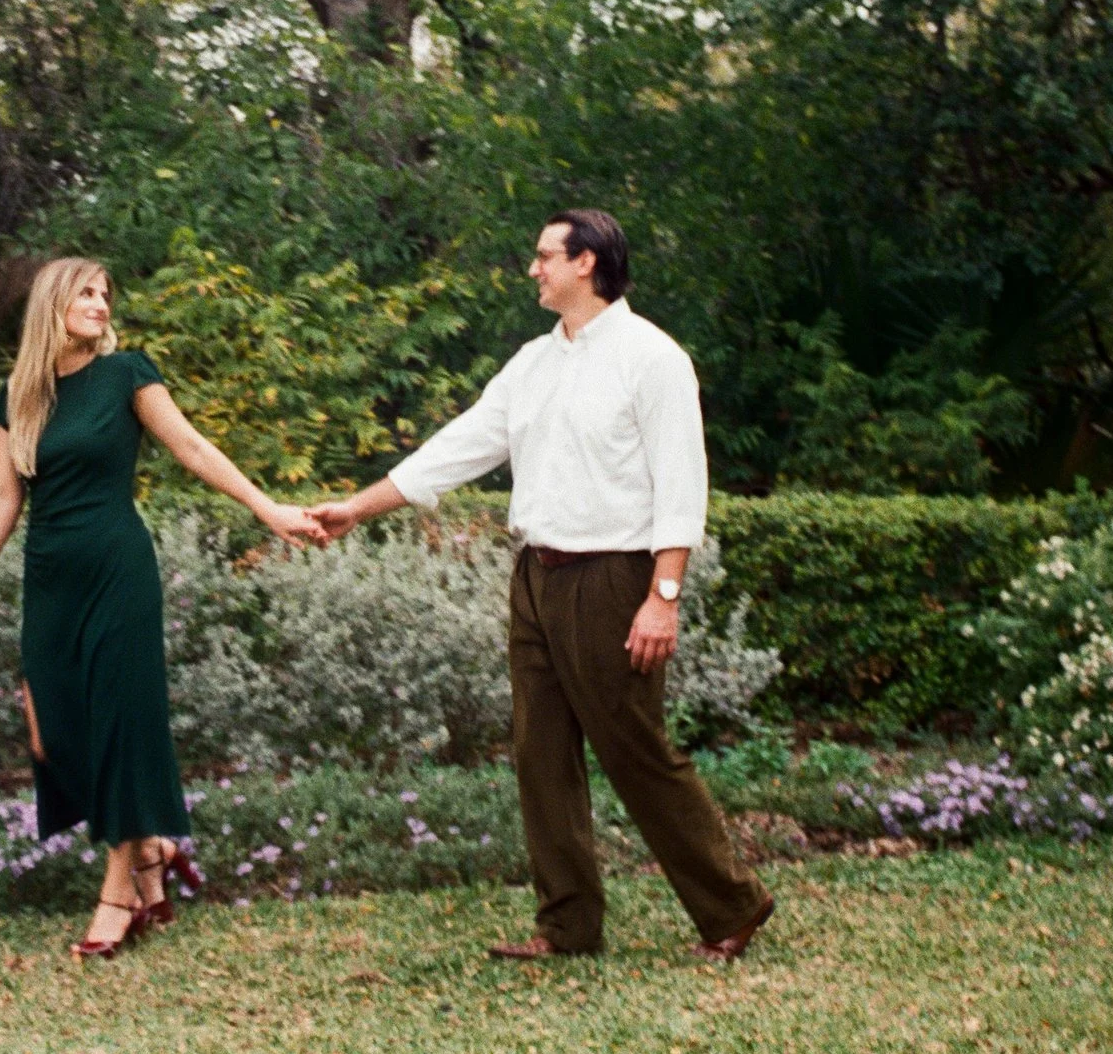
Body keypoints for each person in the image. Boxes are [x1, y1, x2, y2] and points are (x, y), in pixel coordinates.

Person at [310, 209, 774, 963]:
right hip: (536, 574)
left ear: (586, 262)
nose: (533, 268)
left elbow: (683, 484)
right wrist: (356, 509)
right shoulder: (532, 362)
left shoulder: (652, 358)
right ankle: (567, 925)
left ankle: (733, 905)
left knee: (634, 747)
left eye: (544, 256)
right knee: (539, 750)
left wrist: (664, 595)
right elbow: (460, 445)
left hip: (615, 575)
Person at [0, 256, 325, 960]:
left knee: (120, 723)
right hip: (49, 576)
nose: (99, 303)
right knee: (52, 733)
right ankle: (152, 846)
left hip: (117, 568)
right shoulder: (19, 395)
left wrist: (266, 506)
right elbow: (6, 494)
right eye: (86, 293)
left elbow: (189, 445)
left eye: (104, 294)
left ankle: (118, 892)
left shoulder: (128, 373)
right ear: (53, 304)